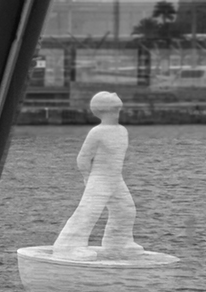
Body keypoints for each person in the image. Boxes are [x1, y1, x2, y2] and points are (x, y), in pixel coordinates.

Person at [52, 91, 144, 260]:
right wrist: (88, 177)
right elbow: (83, 158)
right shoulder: (97, 132)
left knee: (125, 210)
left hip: (115, 179)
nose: (115, 93)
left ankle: (119, 243)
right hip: (100, 178)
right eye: (108, 94)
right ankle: (67, 247)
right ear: (104, 108)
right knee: (88, 212)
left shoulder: (122, 130)